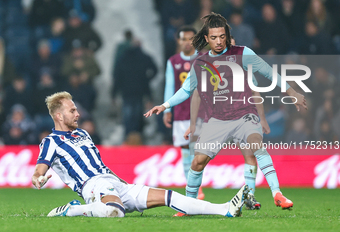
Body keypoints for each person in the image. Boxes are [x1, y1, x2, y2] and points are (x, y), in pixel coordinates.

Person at [145, 13, 308, 209]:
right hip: (218, 119)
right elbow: (187, 90)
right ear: (206, 38)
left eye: (222, 36)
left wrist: (291, 91)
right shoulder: (201, 63)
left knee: (256, 146)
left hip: (245, 115)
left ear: (227, 34)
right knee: (197, 162)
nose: (219, 41)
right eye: (213, 38)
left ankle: (277, 193)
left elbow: (268, 71)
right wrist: (165, 105)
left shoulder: (242, 53)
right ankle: (187, 205)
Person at [31, 91, 249, 218]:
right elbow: (38, 172)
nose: (78, 114)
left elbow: (98, 164)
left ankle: (225, 209)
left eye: (76, 109)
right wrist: (39, 179)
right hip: (92, 186)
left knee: (167, 196)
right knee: (115, 211)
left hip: (114, 182)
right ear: (58, 116)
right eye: (72, 111)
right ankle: (73, 210)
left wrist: (119, 182)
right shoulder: (50, 142)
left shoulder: (84, 134)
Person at [163, 26, 205, 203]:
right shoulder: (173, 61)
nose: (187, 42)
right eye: (183, 39)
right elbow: (170, 85)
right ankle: (194, 187)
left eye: (190, 38)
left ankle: (197, 187)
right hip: (180, 112)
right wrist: (167, 109)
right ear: (178, 41)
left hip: (201, 112)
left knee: (198, 149)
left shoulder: (203, 59)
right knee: (185, 149)